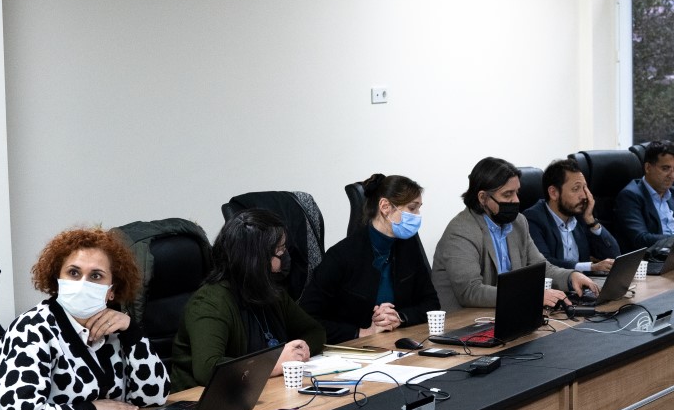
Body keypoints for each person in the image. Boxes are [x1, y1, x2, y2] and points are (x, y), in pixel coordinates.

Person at [0, 227, 169, 410]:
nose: (82, 284)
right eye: (74, 273)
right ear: (57, 279)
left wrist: (132, 332)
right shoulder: (31, 329)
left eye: (96, 276)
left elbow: (154, 397)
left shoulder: (116, 329)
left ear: (111, 291)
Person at [169, 208, 324, 390]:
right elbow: (208, 368)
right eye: (280, 251)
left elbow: (315, 331)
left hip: (259, 390)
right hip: (201, 401)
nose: (284, 259)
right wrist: (272, 364)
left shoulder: (270, 291)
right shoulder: (209, 303)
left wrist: (301, 350)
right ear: (257, 259)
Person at [432, 157, 597, 311]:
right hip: (464, 322)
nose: (516, 200)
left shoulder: (518, 222)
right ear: (482, 198)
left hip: (508, 312)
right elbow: (470, 292)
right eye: (507, 194)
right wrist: (530, 296)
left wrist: (571, 276)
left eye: (517, 192)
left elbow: (541, 269)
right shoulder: (461, 231)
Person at [300, 173, 440, 344]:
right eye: (412, 208)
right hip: (352, 349)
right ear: (385, 206)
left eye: (419, 208)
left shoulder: (408, 245)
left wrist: (399, 317)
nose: (417, 215)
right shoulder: (342, 255)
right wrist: (363, 332)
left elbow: (431, 303)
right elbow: (306, 320)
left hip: (395, 343)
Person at [523, 158, 622, 275]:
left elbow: (614, 256)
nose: (584, 196)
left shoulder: (581, 215)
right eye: (576, 189)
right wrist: (590, 267)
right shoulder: (533, 219)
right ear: (553, 193)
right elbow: (544, 264)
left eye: (584, 188)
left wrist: (591, 220)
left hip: (586, 283)